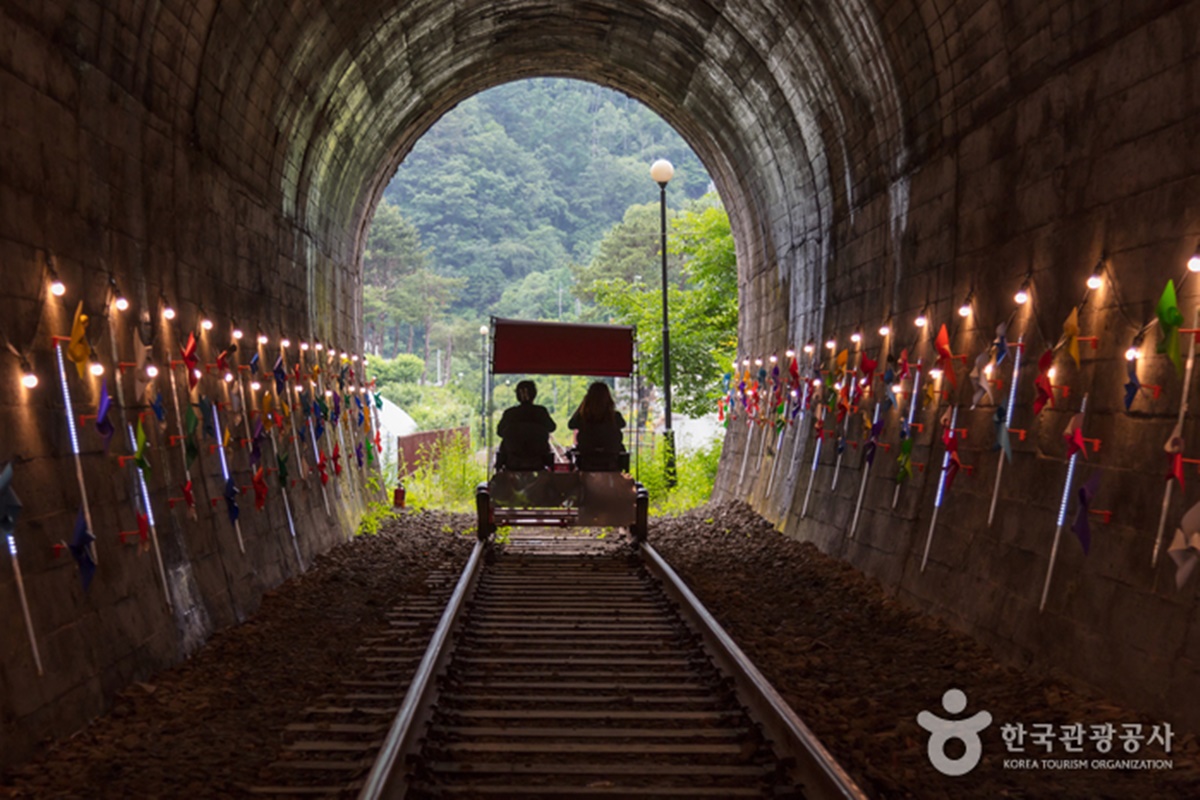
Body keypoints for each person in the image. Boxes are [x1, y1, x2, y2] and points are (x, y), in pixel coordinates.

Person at [496, 380, 556, 470]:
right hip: (538, 461)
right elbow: (552, 427)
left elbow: (500, 432)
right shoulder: (541, 412)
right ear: (534, 395)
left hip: (512, 461)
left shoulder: (510, 413)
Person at [568, 381, 626, 470]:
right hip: (611, 460)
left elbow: (571, 425)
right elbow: (623, 424)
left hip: (587, 460)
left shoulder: (583, 417)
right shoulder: (615, 417)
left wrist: (582, 406)